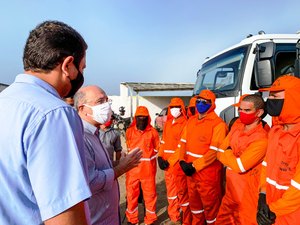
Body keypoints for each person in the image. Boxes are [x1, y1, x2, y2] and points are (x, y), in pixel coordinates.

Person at [0, 20, 92, 225]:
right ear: (68, 65)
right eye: (82, 68)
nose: (81, 75)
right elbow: (65, 216)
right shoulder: (54, 114)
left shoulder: (5, 102)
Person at [74, 85, 142, 225]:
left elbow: (100, 167)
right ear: (82, 108)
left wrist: (120, 163)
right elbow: (91, 181)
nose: (106, 105)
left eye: (107, 100)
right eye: (100, 102)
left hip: (108, 216)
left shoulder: (95, 133)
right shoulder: (80, 137)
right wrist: (121, 168)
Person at [216, 94, 268, 225]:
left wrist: (227, 152)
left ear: (259, 112)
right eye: (240, 109)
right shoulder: (237, 125)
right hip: (230, 193)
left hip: (247, 196)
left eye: (247, 110)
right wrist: (229, 156)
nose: (241, 113)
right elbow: (219, 152)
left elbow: (240, 166)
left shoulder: (262, 139)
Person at [178, 89, 228, 224]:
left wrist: (194, 166)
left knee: (211, 210)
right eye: (199, 101)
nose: (200, 104)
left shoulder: (218, 125)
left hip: (208, 176)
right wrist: (182, 161)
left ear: (212, 104)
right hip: (190, 173)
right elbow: (183, 142)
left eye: (205, 102)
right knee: (195, 208)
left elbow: (214, 152)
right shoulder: (191, 121)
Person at [256, 75, 300, 225]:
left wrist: (274, 210)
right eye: (270, 95)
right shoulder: (275, 131)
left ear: (293, 98)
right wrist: (262, 194)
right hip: (272, 211)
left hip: (292, 215)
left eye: (275, 96)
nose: (270, 100)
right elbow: (266, 165)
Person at [158, 97, 192, 225]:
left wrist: (170, 161)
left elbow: (182, 146)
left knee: (182, 193)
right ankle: (174, 217)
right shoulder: (168, 123)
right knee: (171, 193)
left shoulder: (185, 124)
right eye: (171, 107)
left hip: (178, 165)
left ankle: (186, 219)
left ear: (182, 108)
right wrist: (160, 156)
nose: (173, 109)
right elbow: (164, 142)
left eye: (176, 107)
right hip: (167, 166)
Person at [125, 106, 160, 225]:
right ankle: (132, 219)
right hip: (132, 170)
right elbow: (128, 147)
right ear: (135, 118)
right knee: (131, 195)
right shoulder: (129, 131)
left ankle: (150, 220)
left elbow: (157, 149)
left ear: (148, 118)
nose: (141, 119)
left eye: (144, 117)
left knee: (150, 196)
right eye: (139, 117)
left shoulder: (153, 132)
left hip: (148, 171)